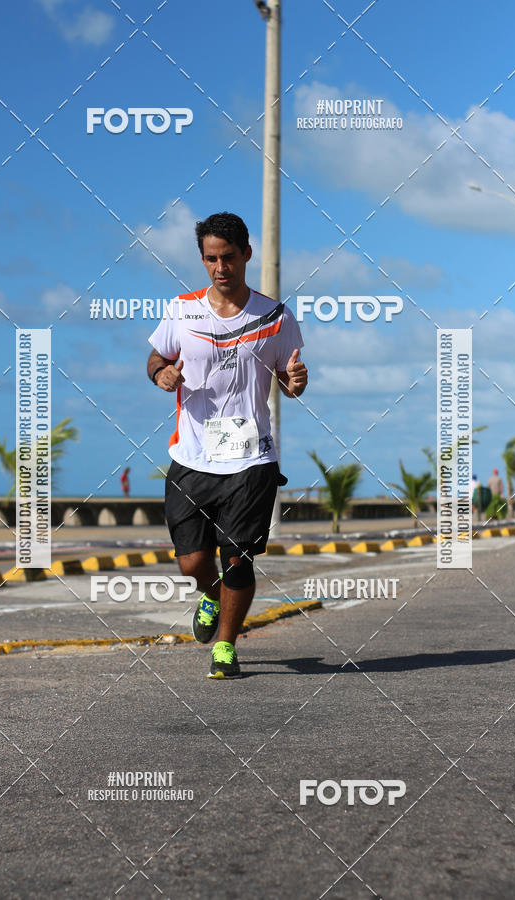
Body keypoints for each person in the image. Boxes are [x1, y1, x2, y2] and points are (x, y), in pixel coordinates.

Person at [147, 211, 308, 679]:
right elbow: (157, 356)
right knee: (192, 562)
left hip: (251, 457)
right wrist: (162, 373)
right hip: (192, 455)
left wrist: (296, 381)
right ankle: (212, 596)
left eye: (229, 257)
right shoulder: (182, 310)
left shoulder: (275, 316)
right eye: (211, 259)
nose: (221, 268)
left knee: (236, 558)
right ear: (203, 259)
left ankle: (225, 646)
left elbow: (290, 380)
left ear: (246, 254)